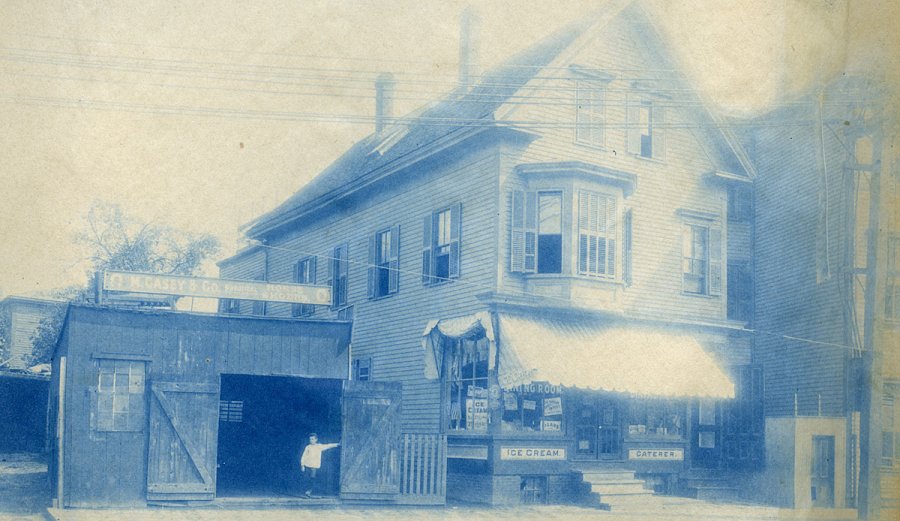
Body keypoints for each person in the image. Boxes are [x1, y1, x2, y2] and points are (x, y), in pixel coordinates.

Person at [299, 432, 339, 497]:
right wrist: (302, 465)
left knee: (312, 478)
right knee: (306, 478)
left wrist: (337, 444)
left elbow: (328, 445)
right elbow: (304, 456)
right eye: (310, 439)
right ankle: (305, 491)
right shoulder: (308, 447)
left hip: (314, 465)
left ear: (316, 439)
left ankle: (309, 491)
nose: (311, 440)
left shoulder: (319, 446)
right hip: (307, 465)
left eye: (312, 439)